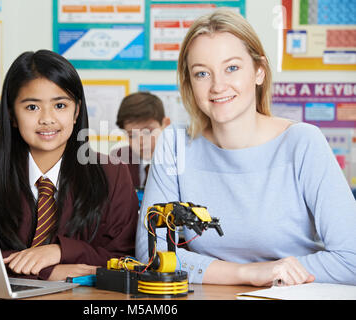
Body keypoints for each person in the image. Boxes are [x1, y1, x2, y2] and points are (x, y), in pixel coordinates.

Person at [136, 9, 356, 286]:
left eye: (231, 68)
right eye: (202, 73)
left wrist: (267, 274)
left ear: (259, 71)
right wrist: (250, 273)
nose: (218, 85)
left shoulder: (303, 142)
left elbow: (351, 260)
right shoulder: (174, 143)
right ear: (190, 84)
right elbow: (152, 254)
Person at [0, 50, 138, 281]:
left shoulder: (111, 172)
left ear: (76, 111)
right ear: (12, 114)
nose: (47, 119)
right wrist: (45, 272)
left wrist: (61, 251)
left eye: (60, 105)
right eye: (32, 107)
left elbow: (127, 259)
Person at [112, 92, 170, 189]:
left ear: (165, 125)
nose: (140, 141)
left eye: (148, 132)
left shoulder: (181, 158)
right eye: (132, 135)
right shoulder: (119, 158)